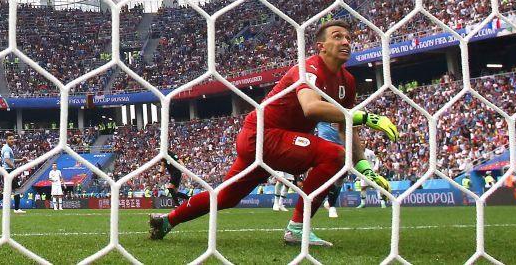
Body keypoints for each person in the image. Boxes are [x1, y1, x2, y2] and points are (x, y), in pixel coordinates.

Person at [148, 20, 399, 247]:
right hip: (264, 135)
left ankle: (167, 221)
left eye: (348, 37)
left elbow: (345, 125)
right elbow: (311, 107)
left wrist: (364, 166)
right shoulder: (308, 68)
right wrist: (366, 116)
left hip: (270, 140)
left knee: (226, 197)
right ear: (321, 46)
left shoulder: (347, 81)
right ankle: (298, 228)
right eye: (337, 36)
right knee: (333, 155)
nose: (345, 41)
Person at [0, 132, 26, 213]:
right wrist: (14, 168)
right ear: (6, 140)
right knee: (17, 189)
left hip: (7, 171)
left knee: (9, 191)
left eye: (13, 138)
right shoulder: (7, 149)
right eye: (10, 139)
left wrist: (21, 160)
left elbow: (11, 160)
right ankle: (16, 209)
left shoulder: (7, 148)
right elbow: (6, 160)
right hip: (8, 171)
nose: (12, 140)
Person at [316, 121, 344, 218]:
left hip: (341, 146)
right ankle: (332, 206)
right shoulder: (321, 111)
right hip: (324, 145)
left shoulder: (340, 111)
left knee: (340, 178)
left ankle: (330, 202)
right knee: (327, 176)